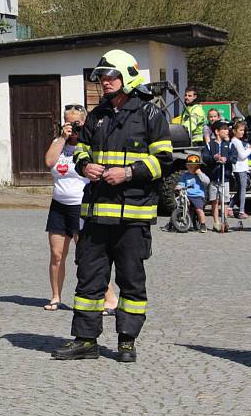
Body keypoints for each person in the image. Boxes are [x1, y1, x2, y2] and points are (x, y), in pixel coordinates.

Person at [52, 50, 172, 363]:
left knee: (131, 280)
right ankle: (86, 340)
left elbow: (164, 161)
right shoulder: (96, 115)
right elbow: (80, 153)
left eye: (110, 77)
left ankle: (127, 341)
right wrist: (85, 166)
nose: (104, 83)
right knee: (89, 278)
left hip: (133, 217)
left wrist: (130, 172)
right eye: (102, 78)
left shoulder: (150, 114)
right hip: (96, 215)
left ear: (127, 77)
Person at [42, 105, 119, 313]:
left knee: (88, 255)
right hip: (58, 205)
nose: (73, 127)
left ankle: (109, 297)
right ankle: (56, 296)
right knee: (56, 255)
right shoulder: (59, 143)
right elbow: (49, 161)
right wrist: (62, 138)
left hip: (80, 205)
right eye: (68, 122)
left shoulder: (89, 145)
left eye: (77, 123)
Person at [202, 121, 237, 232]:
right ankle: (216, 222)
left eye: (228, 129)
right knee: (214, 200)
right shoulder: (209, 145)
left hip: (225, 177)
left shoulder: (230, 144)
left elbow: (234, 158)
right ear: (217, 132)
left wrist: (226, 159)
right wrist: (214, 158)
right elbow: (205, 158)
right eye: (225, 129)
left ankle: (224, 220)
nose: (227, 131)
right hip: (214, 177)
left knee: (225, 200)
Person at [175, 154, 210, 232]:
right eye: (190, 166)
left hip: (197, 195)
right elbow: (181, 183)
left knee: (199, 209)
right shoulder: (185, 175)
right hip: (187, 195)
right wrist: (178, 187)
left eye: (194, 166)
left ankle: (203, 225)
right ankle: (174, 223)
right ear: (186, 166)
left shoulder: (200, 175)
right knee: (181, 207)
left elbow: (207, 182)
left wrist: (199, 173)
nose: (192, 167)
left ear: (198, 167)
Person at [230, 121, 251, 219]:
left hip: (240, 168)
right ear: (234, 131)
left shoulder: (237, 141)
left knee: (241, 190)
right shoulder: (237, 142)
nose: (242, 132)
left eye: (243, 130)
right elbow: (242, 156)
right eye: (240, 130)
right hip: (240, 169)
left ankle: (230, 207)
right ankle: (241, 211)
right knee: (243, 190)